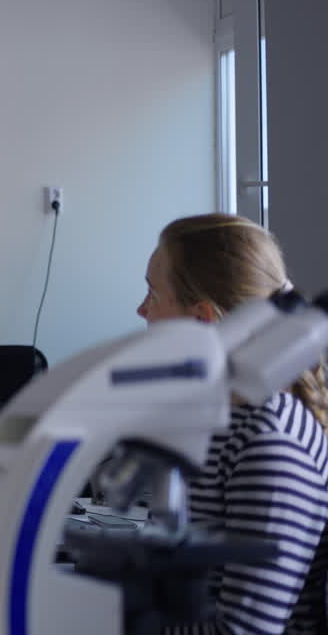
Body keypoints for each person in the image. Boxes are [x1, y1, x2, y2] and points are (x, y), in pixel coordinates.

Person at [137, 213, 328, 634]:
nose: (141, 310)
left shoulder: (269, 441)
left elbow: (242, 631)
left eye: (152, 294)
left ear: (203, 318)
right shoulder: (212, 421)